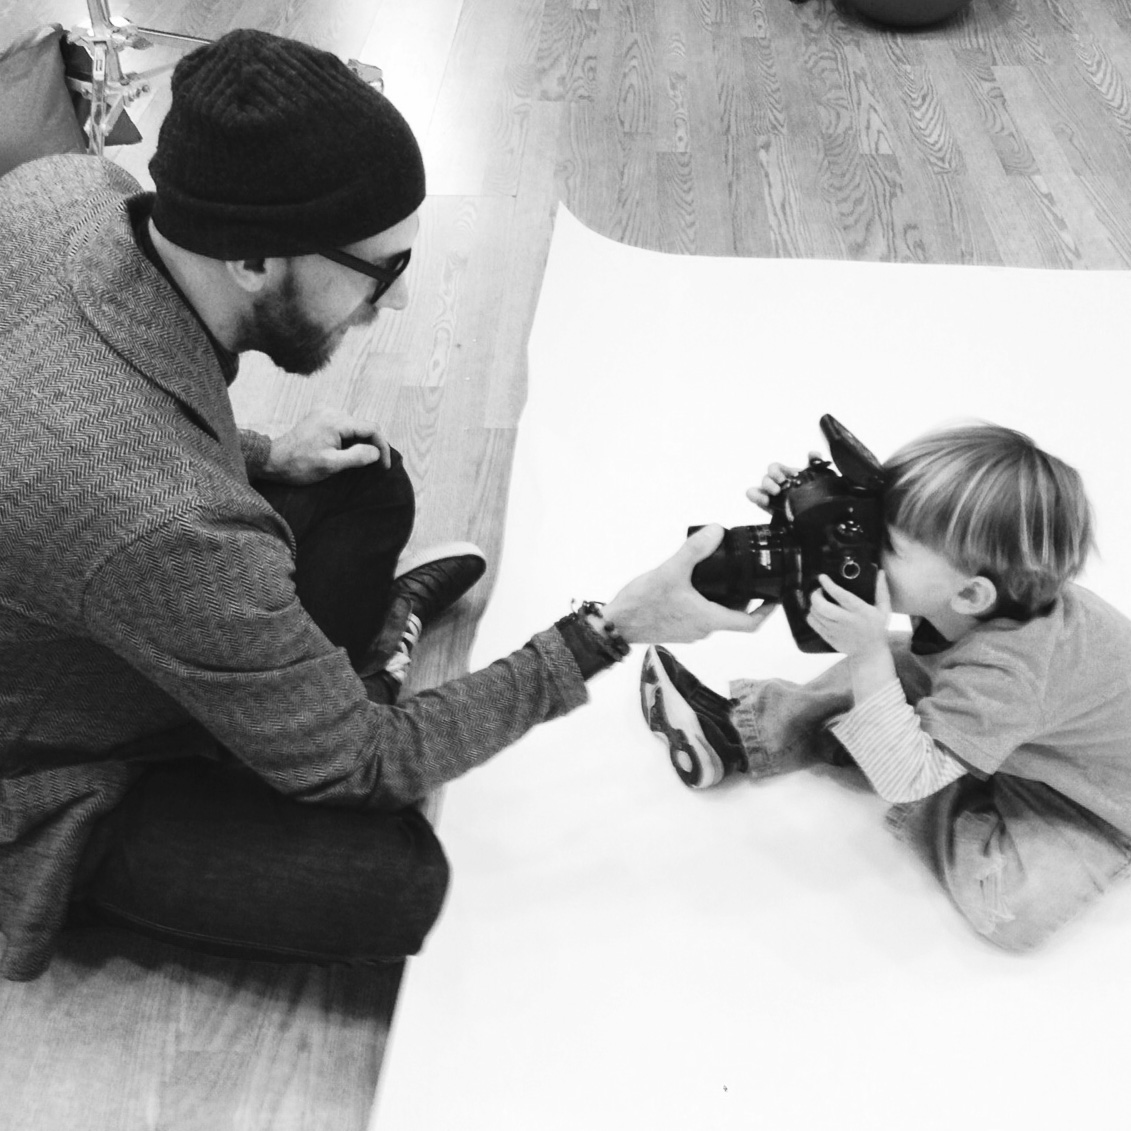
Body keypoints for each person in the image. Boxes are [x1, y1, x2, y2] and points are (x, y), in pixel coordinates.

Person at [0, 28, 766, 982]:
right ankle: (308, 705)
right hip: (47, 756)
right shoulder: (165, 521)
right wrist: (611, 627)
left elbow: (56, 423)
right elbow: (366, 765)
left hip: (94, 580)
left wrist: (265, 452)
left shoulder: (67, 193)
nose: (393, 305)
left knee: (367, 480)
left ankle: (296, 694)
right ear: (249, 257)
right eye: (382, 271)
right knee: (393, 877)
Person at [642, 422, 1131, 952]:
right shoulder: (984, 603)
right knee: (895, 665)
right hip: (1024, 735)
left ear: (969, 594)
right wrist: (811, 519)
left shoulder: (1011, 672)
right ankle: (736, 731)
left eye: (887, 544)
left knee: (1010, 912)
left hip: (1087, 800)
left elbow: (903, 725)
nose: (866, 548)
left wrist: (867, 655)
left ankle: (929, 768)